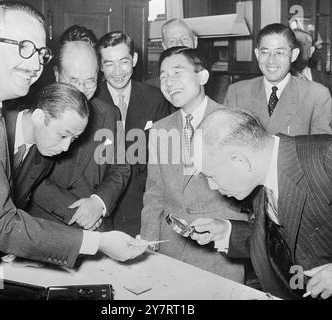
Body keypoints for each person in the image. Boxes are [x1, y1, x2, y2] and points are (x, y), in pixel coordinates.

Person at [0, 1, 146, 293]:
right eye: (24, 47)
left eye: (40, 52)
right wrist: (97, 242)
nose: (36, 63)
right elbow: (2, 224)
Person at [190, 108, 332, 299]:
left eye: (211, 176)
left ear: (240, 161)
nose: (212, 186)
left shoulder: (326, 157)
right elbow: (283, 237)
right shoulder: (260, 177)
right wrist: (227, 231)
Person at [140, 46, 248, 282]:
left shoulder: (235, 122)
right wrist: (148, 241)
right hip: (170, 250)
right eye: (163, 76)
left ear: (202, 76)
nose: (168, 82)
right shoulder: (160, 129)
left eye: (177, 72)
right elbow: (154, 193)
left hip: (218, 254)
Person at [27, 25, 130, 232]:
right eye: (74, 81)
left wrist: (98, 202)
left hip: (98, 224)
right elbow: (26, 177)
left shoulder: (110, 114)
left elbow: (121, 168)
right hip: (47, 224)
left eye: (89, 81)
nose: (82, 90)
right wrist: (79, 212)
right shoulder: (34, 112)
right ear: (57, 74)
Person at [95, 31, 170, 236]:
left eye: (123, 62)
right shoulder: (90, 100)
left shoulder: (155, 98)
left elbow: (161, 159)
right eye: (109, 63)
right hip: (101, 205)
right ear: (100, 66)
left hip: (142, 203)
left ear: (134, 59)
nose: (117, 71)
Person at [224, 23, 332, 135]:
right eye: (265, 52)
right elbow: (225, 143)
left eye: (279, 52)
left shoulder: (316, 95)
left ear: (294, 55)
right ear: (257, 54)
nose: (271, 60)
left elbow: (320, 150)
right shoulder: (236, 93)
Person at [3, 82, 90, 210]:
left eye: (73, 139)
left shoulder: (45, 160)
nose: (66, 148)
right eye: (63, 135)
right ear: (38, 117)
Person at [146, 18, 228, 104]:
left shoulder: (218, 85)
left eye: (185, 39)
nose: (180, 44)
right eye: (172, 41)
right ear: (164, 47)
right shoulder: (152, 89)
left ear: (195, 42)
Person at [291, 28, 332, 96]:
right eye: (291, 45)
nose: (295, 50)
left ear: (311, 51)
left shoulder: (326, 82)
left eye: (300, 44)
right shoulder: (276, 79)